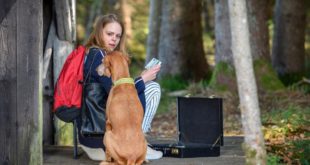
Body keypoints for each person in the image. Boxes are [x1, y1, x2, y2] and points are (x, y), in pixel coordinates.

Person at [77, 13, 163, 161]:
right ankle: (137, 140)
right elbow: (118, 94)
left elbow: (119, 90)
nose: (114, 39)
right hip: (99, 133)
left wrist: (140, 79)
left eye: (117, 36)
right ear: (99, 32)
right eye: (109, 34)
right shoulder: (98, 56)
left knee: (147, 85)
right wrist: (142, 79)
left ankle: (137, 139)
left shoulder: (100, 54)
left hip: (102, 127)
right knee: (152, 88)